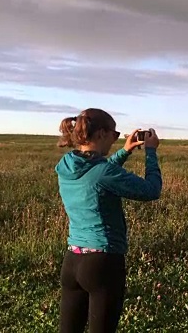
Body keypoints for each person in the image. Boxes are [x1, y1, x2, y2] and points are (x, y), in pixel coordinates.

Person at [54, 108, 162, 332]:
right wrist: (150, 152)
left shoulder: (67, 165)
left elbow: (98, 172)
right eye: (114, 134)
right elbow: (151, 190)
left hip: (72, 261)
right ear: (101, 133)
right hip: (103, 263)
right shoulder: (102, 172)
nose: (115, 140)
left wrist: (124, 152)